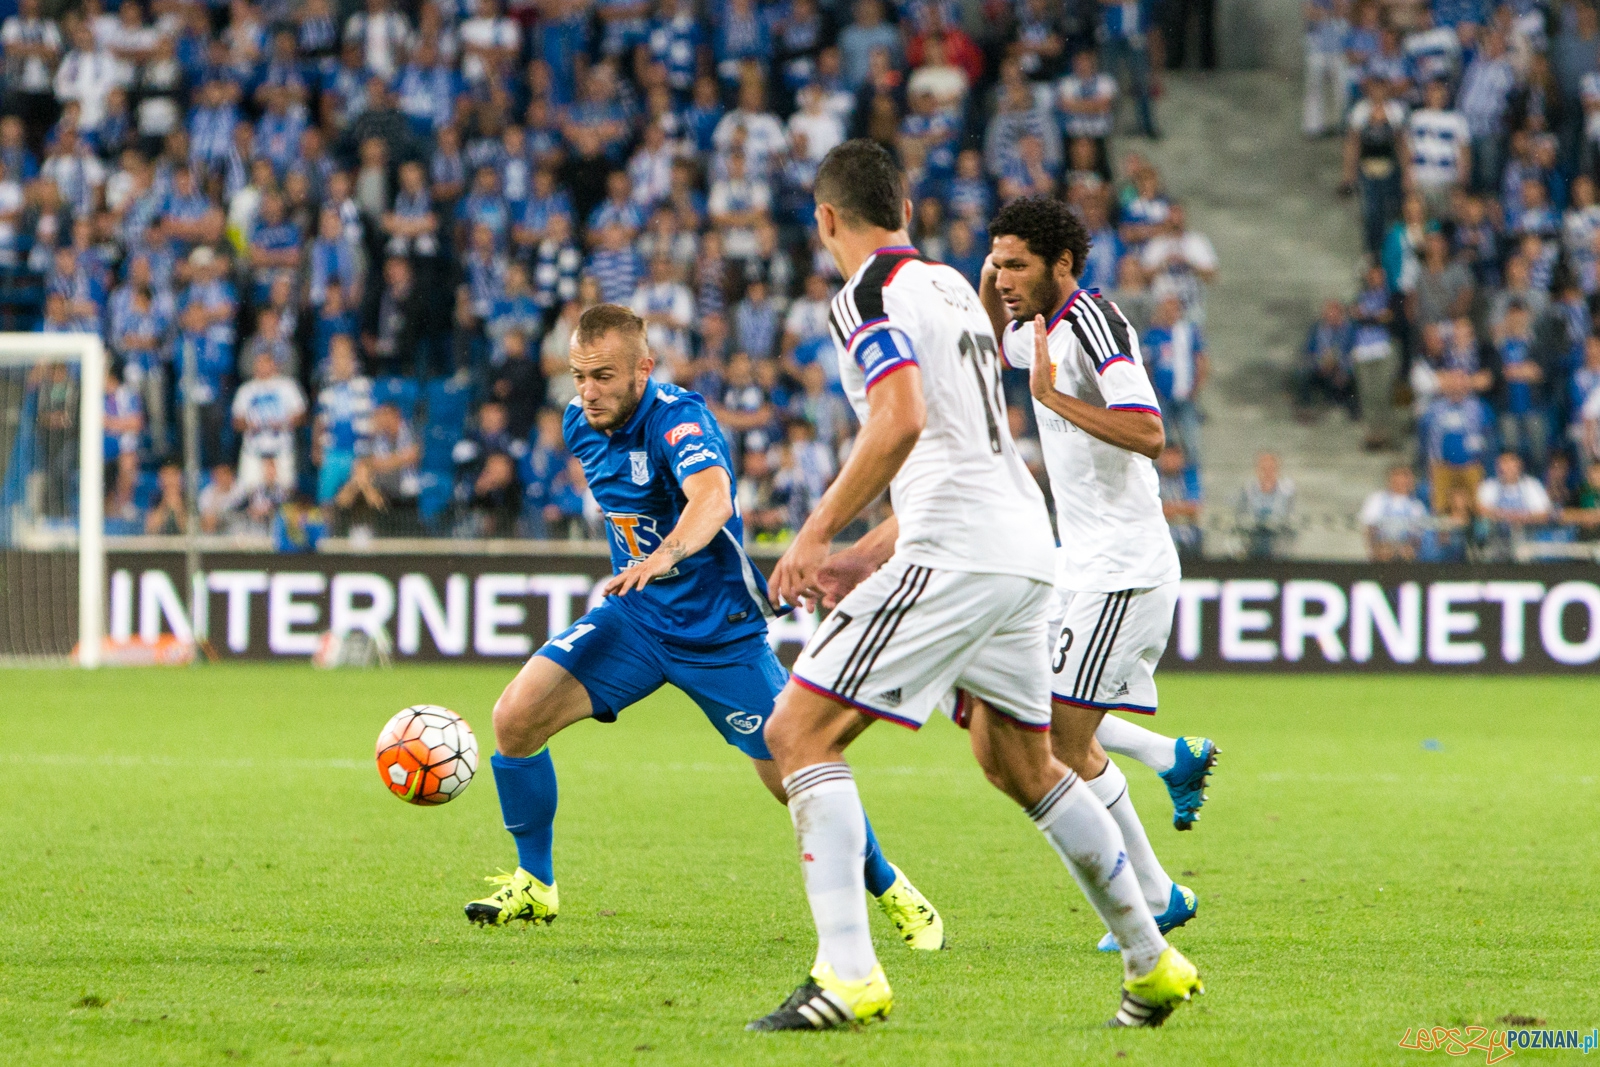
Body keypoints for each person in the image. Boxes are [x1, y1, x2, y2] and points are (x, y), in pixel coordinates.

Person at [750, 142, 1201, 1032]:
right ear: (908, 210)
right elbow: (961, 450)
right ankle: (1152, 962)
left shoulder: (865, 296)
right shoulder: (955, 287)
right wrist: (865, 553)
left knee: (796, 731)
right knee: (1019, 761)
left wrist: (816, 532)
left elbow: (902, 419)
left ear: (826, 220)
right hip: (1023, 546)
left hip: (960, 551)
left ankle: (848, 974)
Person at [464, 303, 945, 962]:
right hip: (634, 618)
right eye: (579, 375)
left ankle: (893, 889)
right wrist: (647, 570)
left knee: (795, 775)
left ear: (644, 368)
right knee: (515, 717)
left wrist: (666, 554)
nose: (588, 391)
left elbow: (714, 498)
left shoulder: (679, 417)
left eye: (603, 375)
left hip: (719, 635)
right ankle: (534, 882)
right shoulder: (581, 424)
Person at [979, 196, 1218, 958]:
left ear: (1064, 265)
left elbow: (1149, 431)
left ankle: (1157, 893)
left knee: (1051, 742)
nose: (1005, 277)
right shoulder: (1041, 328)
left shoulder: (1095, 325)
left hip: (1121, 568)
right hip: (1077, 565)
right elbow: (998, 345)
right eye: (997, 261)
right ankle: (1166, 764)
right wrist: (993, 285)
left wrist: (1054, 398)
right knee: (1022, 709)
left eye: (1017, 264)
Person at [1360, 464, 1429, 560]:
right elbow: (1369, 528)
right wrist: (1374, 549)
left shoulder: (1417, 506)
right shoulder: (1376, 499)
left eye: (1406, 477)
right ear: (1390, 479)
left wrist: (1408, 547)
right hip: (1381, 546)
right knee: (1385, 551)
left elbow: (1419, 535)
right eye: (1398, 476)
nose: (1402, 481)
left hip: (1405, 548)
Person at [1236, 451, 1296, 559]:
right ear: (1257, 470)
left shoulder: (1287, 493)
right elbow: (1240, 518)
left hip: (1278, 545)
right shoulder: (1247, 491)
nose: (1267, 473)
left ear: (1277, 470)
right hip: (1253, 542)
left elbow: (1292, 520)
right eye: (1263, 469)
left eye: (1271, 469)